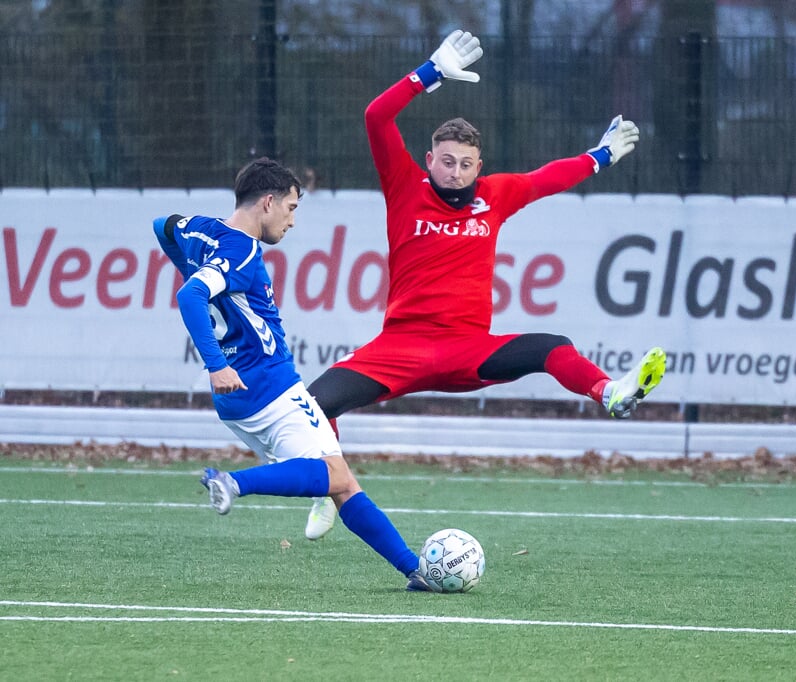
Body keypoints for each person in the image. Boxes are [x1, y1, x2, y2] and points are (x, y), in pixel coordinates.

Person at [302, 30, 667, 540]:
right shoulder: (405, 187)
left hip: (468, 349)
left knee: (551, 346)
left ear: (480, 167)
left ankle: (610, 393)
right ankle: (330, 489)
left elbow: (548, 178)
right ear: (429, 161)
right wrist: (428, 73)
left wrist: (600, 156)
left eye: (466, 164)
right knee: (313, 406)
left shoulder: (496, 195)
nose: (455, 172)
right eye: (446, 162)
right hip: (399, 348)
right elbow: (375, 117)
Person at [153, 157, 430, 591]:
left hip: (237, 400)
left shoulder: (199, 229)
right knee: (336, 477)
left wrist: (188, 264)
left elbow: (162, 226)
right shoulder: (241, 250)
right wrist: (216, 364)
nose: (292, 220)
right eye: (292, 207)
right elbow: (191, 295)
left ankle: (415, 571)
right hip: (267, 383)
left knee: (339, 482)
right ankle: (232, 483)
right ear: (268, 202)